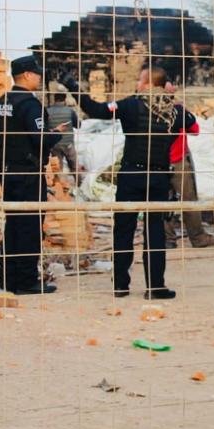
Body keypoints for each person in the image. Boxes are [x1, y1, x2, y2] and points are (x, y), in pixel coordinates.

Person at [63, 66, 195, 299]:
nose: (136, 83)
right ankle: (156, 287)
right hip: (158, 178)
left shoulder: (130, 104)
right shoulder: (175, 111)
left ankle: (121, 285)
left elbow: (95, 109)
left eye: (139, 79)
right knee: (155, 234)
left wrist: (74, 87)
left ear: (146, 83)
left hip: (131, 176)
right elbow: (193, 127)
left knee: (123, 229)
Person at [0, 55, 65, 295]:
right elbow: (40, 138)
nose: (40, 77)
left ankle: (7, 277)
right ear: (27, 75)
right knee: (30, 226)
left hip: (7, 170)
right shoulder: (30, 104)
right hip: (27, 173)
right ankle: (26, 281)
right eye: (37, 73)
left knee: (12, 224)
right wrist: (55, 135)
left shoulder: (2, 101)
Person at [166, 99, 214, 248]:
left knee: (164, 200)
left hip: (159, 160)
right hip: (178, 160)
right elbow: (195, 130)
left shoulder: (148, 109)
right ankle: (197, 237)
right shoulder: (178, 110)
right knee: (188, 198)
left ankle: (168, 239)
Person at [45, 86, 81, 180]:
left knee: (58, 169)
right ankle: (80, 186)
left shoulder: (47, 111)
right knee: (74, 167)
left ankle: (61, 188)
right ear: (64, 99)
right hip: (68, 144)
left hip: (54, 144)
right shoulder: (70, 111)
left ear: (54, 99)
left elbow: (44, 128)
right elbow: (78, 125)